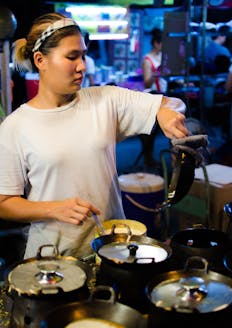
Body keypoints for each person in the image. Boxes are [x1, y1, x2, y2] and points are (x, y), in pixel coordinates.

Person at [0, 12, 188, 260]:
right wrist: (54, 209)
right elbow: (4, 202)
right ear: (40, 60)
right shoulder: (16, 126)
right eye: (72, 57)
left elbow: (171, 104)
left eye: (83, 55)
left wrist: (166, 113)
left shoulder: (105, 100)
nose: (82, 66)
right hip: (52, 257)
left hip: (112, 248)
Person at [141, 27, 168, 171]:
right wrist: (156, 73)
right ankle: (148, 160)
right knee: (150, 132)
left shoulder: (164, 56)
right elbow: (146, 82)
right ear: (156, 43)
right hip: (152, 97)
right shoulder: (147, 60)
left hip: (164, 95)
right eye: (163, 43)